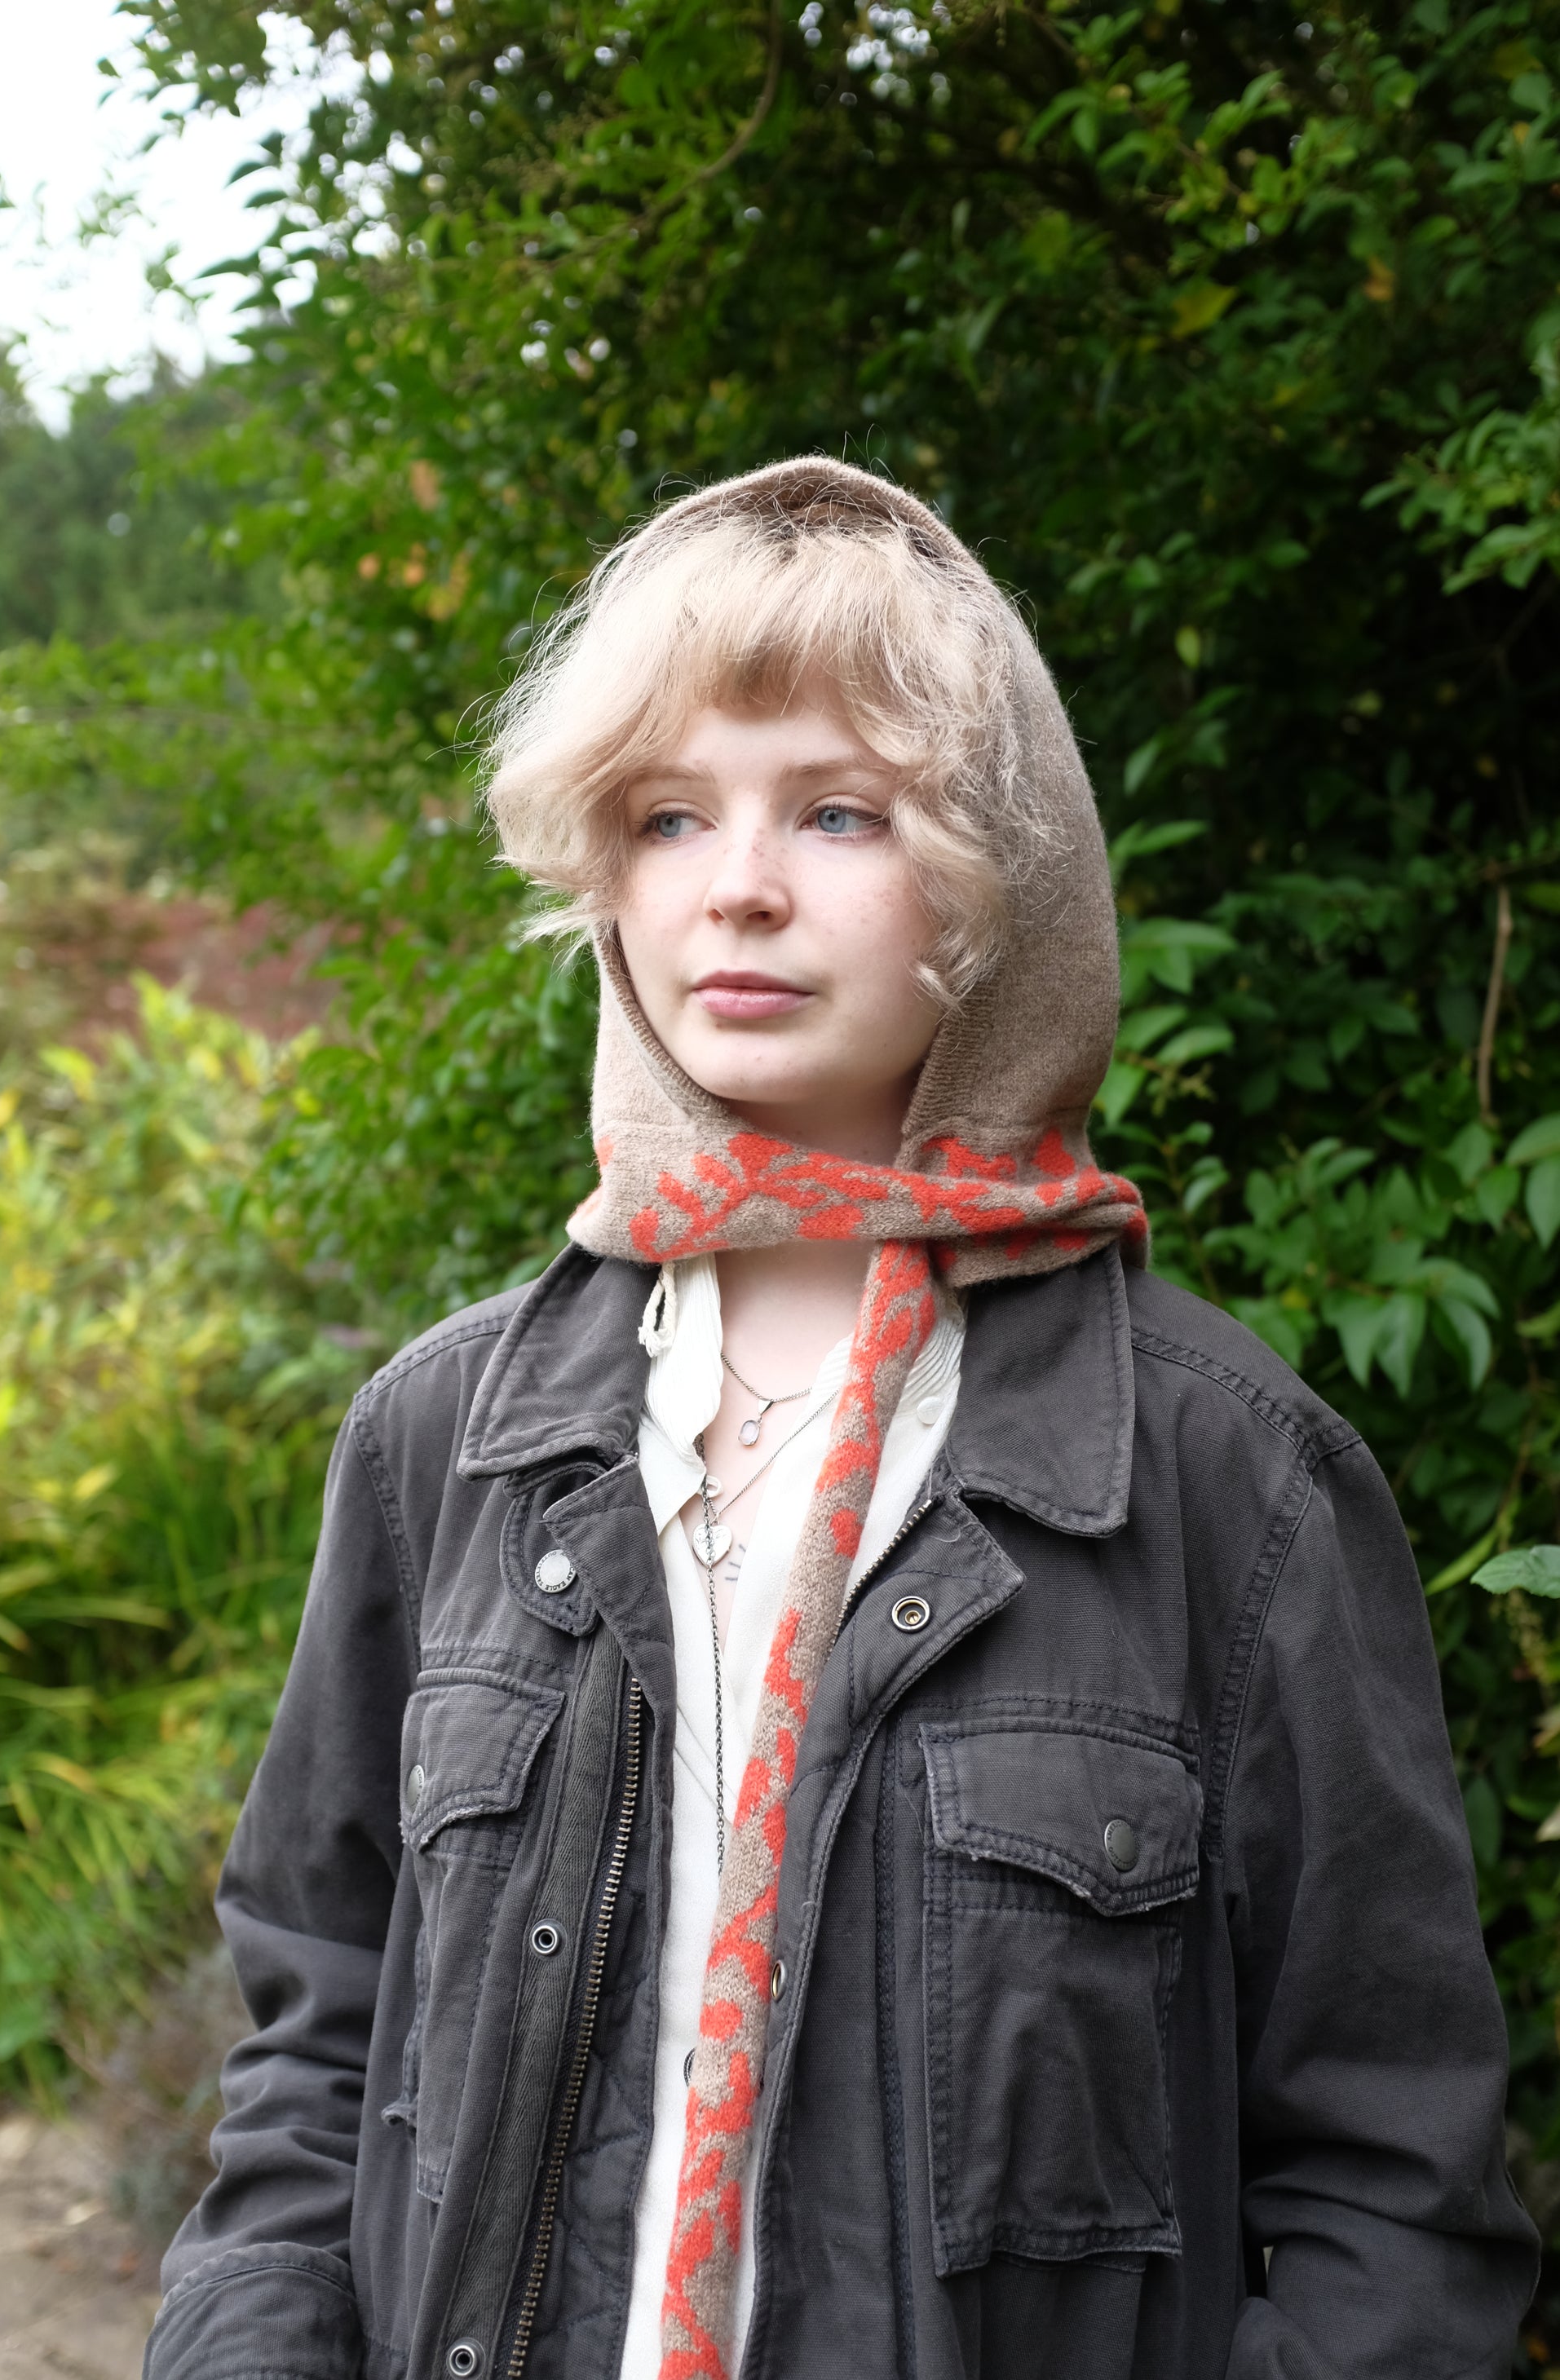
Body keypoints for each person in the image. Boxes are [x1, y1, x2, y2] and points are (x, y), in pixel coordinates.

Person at [143, 459, 1537, 2380]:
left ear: (991, 871)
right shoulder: (441, 1436)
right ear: (602, 874)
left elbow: (1394, 2189)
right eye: (665, 813)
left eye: (838, 808)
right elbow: (313, 2050)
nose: (738, 882)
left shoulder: (1233, 1478)